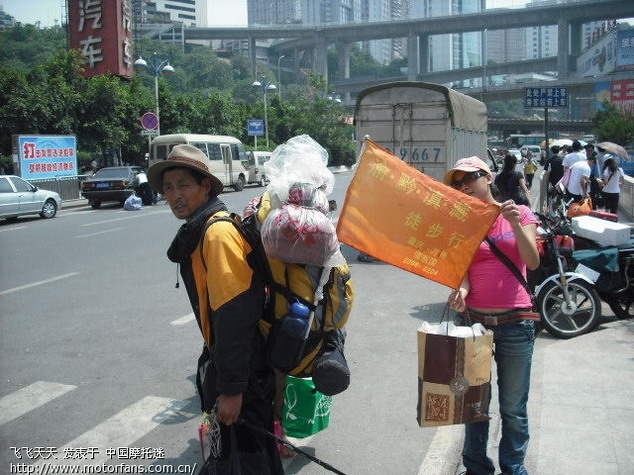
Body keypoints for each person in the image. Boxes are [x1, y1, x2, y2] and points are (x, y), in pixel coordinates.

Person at [147, 145, 283, 474]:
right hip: (243, 370)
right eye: (168, 187)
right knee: (248, 458)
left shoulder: (217, 234)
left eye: (183, 185)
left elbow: (235, 318)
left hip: (248, 376)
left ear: (205, 186)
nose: (174, 195)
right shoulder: (202, 229)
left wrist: (233, 390)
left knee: (248, 462)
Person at [443, 156, 540, 475]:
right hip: (475, 321)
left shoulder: (521, 212)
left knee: (513, 408)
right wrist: (463, 290)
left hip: (517, 321)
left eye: (468, 178)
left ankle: (513, 468)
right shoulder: (463, 224)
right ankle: (476, 469)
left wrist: (514, 223)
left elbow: (533, 261)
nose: (463, 186)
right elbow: (465, 269)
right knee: (474, 406)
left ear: (487, 177)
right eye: (457, 183)